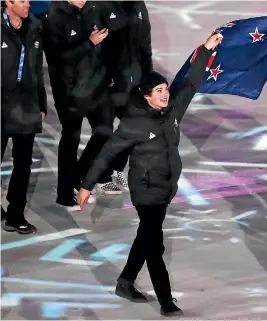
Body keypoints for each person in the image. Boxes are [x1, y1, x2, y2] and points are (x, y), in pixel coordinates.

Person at [77, 33, 223, 316]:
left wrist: (205, 50)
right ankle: (166, 302)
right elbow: (107, 153)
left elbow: (192, 82)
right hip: (146, 190)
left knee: (148, 238)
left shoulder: (172, 111)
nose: (165, 93)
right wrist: (86, 185)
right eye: (158, 90)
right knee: (152, 243)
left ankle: (125, 281)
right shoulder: (134, 123)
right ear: (146, 96)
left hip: (166, 187)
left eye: (165, 88)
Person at [42, 0, 122, 212]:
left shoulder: (96, 8)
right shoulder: (55, 16)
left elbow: (109, 45)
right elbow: (56, 58)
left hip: (99, 87)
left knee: (105, 132)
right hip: (71, 91)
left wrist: (112, 76)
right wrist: (88, 43)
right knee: (71, 137)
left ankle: (78, 178)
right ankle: (64, 192)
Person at [97, 0, 154, 192]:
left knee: (134, 126)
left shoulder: (138, 5)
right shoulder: (101, 5)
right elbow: (95, 47)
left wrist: (149, 79)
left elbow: (146, 44)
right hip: (107, 82)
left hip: (134, 80)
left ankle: (116, 170)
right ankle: (100, 177)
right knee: (103, 132)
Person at [1, 0, 47, 233]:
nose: (28, 4)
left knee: (23, 164)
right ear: (8, 2)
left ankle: (15, 213)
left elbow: (37, 70)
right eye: (21, 1)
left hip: (26, 106)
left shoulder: (35, 28)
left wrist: (42, 103)